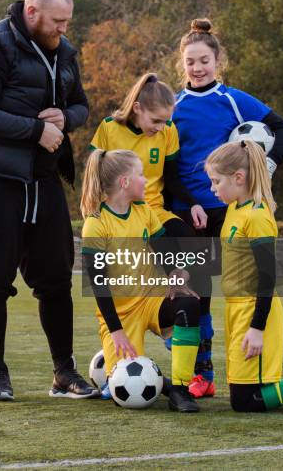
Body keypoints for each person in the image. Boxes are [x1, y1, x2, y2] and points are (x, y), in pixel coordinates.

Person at [0, 0, 99, 401]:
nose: (63, 29)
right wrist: (36, 130)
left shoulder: (66, 52)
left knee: (56, 278)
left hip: (44, 177)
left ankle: (65, 372)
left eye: (68, 21)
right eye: (57, 21)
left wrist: (66, 118)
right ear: (32, 13)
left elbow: (82, 105)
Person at [172, 18, 283, 398]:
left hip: (232, 213)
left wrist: (268, 167)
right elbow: (167, 167)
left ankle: (256, 363)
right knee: (196, 295)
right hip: (189, 213)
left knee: (245, 289)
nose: (198, 67)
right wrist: (191, 202)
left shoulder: (234, 100)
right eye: (191, 61)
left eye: (204, 60)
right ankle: (202, 374)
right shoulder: (174, 106)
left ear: (217, 61)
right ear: (182, 64)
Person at [89, 73, 216, 394]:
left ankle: (198, 351)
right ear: (136, 109)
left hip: (154, 212)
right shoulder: (108, 128)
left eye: (166, 121)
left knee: (194, 248)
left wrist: (193, 204)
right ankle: (137, 332)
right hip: (120, 216)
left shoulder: (168, 132)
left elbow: (172, 180)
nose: (162, 126)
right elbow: (93, 172)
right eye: (156, 120)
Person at [204, 139, 283, 412]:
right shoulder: (233, 209)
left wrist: (257, 327)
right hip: (235, 309)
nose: (212, 189)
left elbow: (268, 276)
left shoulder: (258, 216)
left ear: (238, 178)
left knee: (246, 401)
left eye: (216, 182)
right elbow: (228, 260)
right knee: (243, 395)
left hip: (254, 310)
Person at [81, 148, 203, 412]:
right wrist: (116, 332)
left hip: (153, 299)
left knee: (189, 305)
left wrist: (176, 273)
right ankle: (163, 384)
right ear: (125, 182)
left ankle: (181, 391)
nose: (146, 181)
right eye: (141, 175)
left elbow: (165, 252)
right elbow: (98, 284)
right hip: (120, 315)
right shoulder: (96, 224)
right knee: (126, 394)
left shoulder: (144, 211)